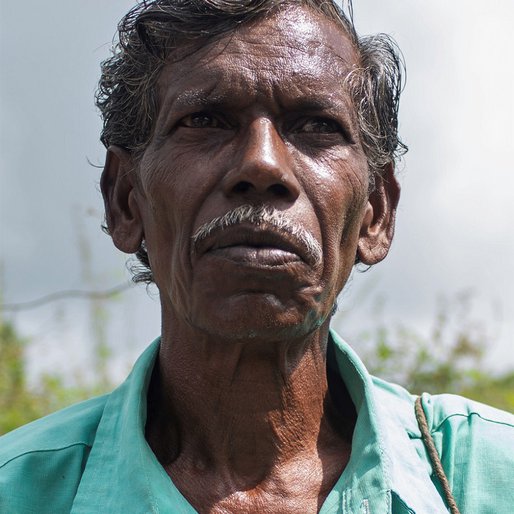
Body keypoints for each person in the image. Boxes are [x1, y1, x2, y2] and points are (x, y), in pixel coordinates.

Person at [1, 1, 513, 512]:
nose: (262, 164)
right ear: (125, 202)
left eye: (316, 126)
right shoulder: (20, 492)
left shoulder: (488, 476)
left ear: (374, 215)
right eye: (205, 120)